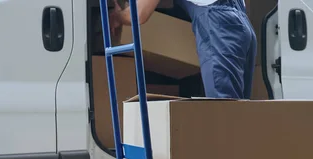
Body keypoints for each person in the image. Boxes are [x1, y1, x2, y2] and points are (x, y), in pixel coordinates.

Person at [109, 0, 257, 99]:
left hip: (219, 26)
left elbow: (138, 14)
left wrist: (117, 17)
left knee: (224, 111)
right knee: (239, 110)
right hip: (239, 23)